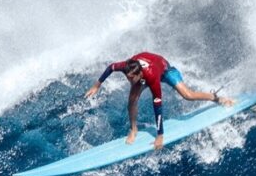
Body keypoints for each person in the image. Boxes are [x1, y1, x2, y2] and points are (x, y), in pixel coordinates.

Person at [84, 51, 235, 150]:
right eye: (128, 77)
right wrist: (97, 85)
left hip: (164, 69)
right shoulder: (126, 67)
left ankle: (216, 97)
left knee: (187, 95)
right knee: (131, 101)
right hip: (146, 64)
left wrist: (160, 135)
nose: (129, 81)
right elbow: (110, 67)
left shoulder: (151, 77)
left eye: (132, 79)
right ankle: (134, 129)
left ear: (140, 75)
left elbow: (157, 105)